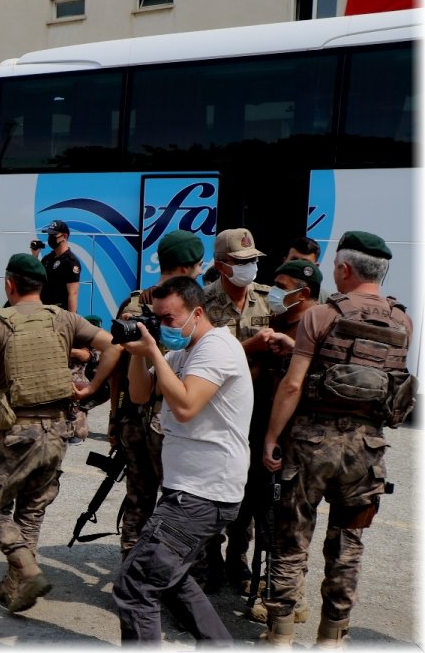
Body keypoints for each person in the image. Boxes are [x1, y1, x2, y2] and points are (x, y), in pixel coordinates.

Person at [260, 232, 413, 648]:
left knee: (291, 541)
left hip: (310, 444)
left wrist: (272, 437)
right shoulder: (402, 320)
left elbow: (292, 386)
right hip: (367, 451)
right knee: (348, 545)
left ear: (344, 269)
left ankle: (280, 635)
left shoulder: (320, 316)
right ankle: (332, 637)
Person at [0, 253, 119, 614]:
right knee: (31, 509)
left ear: (10, 285)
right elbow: (113, 346)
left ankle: (27, 568)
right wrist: (93, 387)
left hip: (19, 432)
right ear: (42, 287)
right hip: (58, 431)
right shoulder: (63, 317)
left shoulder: (0, 321)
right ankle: (16, 587)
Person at [114, 276, 252, 643]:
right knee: (171, 580)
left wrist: (155, 352)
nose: (164, 326)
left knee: (136, 586)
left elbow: (188, 405)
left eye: (170, 319)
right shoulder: (181, 351)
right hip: (190, 490)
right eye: (158, 319)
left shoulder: (217, 346)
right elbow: (142, 395)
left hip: (203, 493)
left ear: (198, 312)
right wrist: (138, 353)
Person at [108, 229, 204, 560]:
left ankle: (132, 565)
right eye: (199, 266)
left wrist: (114, 419)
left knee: (138, 497)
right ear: (188, 268)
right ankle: (183, 573)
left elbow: (116, 368)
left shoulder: (132, 302)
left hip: (134, 417)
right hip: (175, 420)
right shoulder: (195, 304)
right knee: (181, 500)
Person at [245, 259, 321, 626]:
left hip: (300, 438)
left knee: (292, 520)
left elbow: (316, 377)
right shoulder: (276, 322)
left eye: (281, 285)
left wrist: (296, 349)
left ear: (303, 293)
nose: (273, 291)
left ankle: (291, 597)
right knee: (268, 514)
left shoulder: (319, 324)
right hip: (265, 431)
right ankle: (270, 587)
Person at [202, 227, 272, 592]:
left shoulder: (267, 300)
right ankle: (210, 556)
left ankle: (238, 558)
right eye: (242, 262)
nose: (250, 268)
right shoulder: (203, 303)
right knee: (214, 487)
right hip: (218, 411)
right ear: (221, 265)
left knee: (248, 490)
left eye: (253, 260)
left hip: (257, 412)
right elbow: (201, 360)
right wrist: (251, 347)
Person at [39, 220, 80, 312]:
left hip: (60, 315)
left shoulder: (71, 262)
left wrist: (71, 322)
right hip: (44, 312)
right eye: (49, 235)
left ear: (64, 236)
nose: (50, 238)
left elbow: (73, 294)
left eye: (53, 235)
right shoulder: (47, 259)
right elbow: (34, 279)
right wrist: (35, 255)